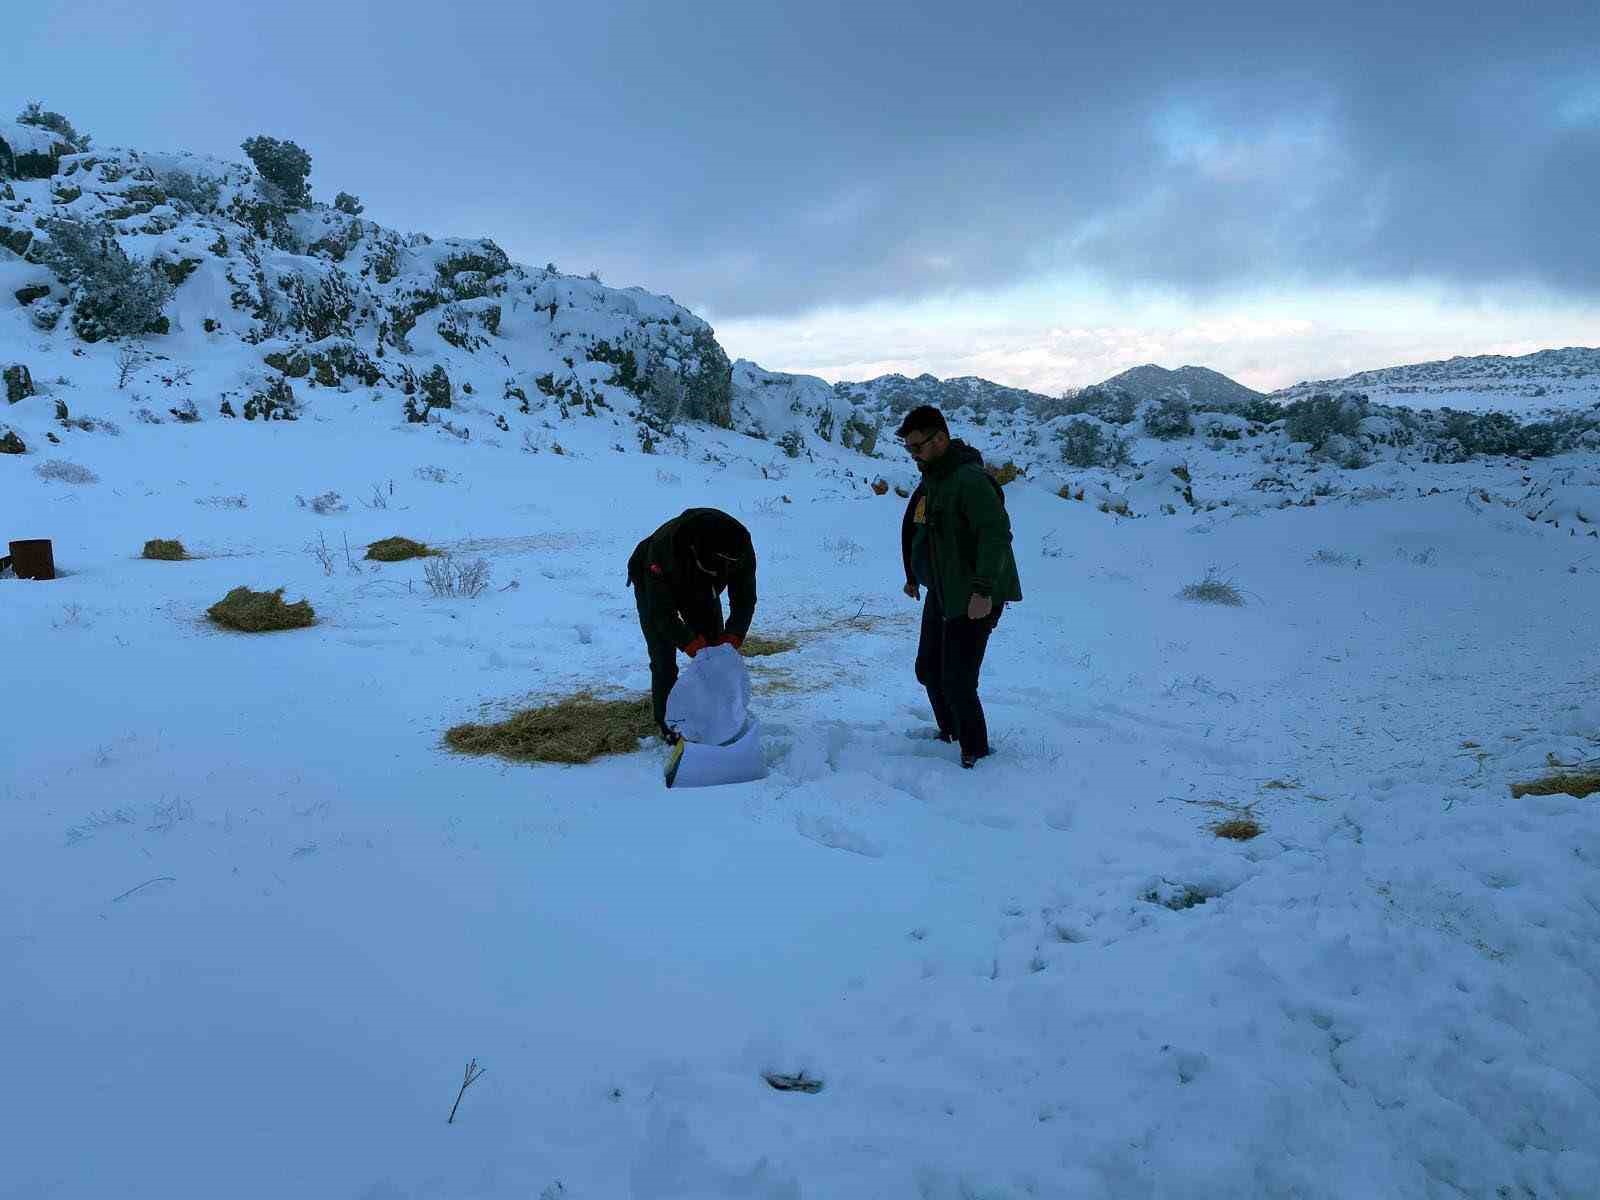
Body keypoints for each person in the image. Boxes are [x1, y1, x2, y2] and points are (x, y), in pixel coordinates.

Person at [898, 405, 1022, 767]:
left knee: (958, 679)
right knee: (928, 669)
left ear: (940, 438)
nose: (913, 454)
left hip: (973, 595)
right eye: (908, 448)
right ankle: (950, 733)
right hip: (942, 589)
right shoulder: (933, 478)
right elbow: (917, 528)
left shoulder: (970, 480)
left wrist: (983, 591)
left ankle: (976, 752)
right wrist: (912, 575)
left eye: (917, 446)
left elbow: (996, 536)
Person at [628, 507, 757, 743]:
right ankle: (670, 726)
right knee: (663, 659)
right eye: (722, 563)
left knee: (715, 653)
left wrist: (734, 634)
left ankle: (716, 719)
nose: (729, 566)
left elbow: (744, 598)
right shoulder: (665, 548)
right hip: (653, 583)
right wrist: (688, 642)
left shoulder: (740, 546)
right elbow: (661, 613)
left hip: (701, 589)